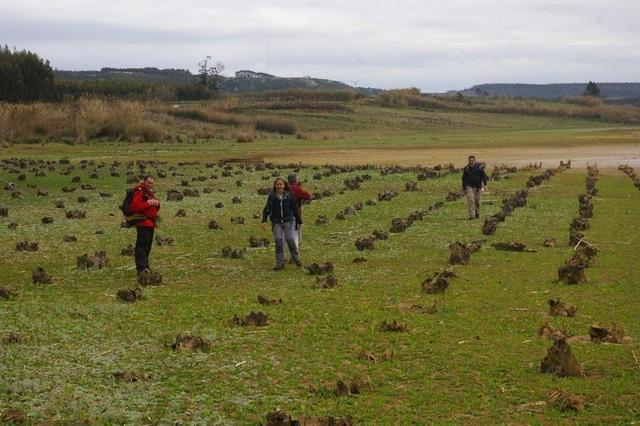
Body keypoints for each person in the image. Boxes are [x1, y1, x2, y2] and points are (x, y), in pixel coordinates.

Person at [262, 178, 302, 270]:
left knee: (290, 241)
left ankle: (296, 259)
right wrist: (264, 220)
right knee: (279, 243)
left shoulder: (289, 195)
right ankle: (280, 264)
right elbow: (267, 209)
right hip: (276, 222)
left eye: (281, 184)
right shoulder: (272, 196)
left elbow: (294, 209)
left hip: (288, 221)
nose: (279, 186)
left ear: (284, 186)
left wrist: (299, 221)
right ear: (275, 186)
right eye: (277, 184)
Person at [129, 175, 160, 273]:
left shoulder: (149, 193)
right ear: (144, 182)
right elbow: (135, 207)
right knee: (142, 246)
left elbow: (156, 207)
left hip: (150, 223)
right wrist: (148, 204)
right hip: (143, 223)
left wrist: (157, 203)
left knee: (147, 246)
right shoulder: (139, 192)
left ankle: (145, 265)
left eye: (152, 183)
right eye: (148, 182)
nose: (150, 185)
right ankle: (141, 268)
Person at [287, 173, 311, 251]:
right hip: (295, 216)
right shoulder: (296, 189)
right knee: (295, 235)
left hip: (283, 216)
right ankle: (294, 254)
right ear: (296, 181)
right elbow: (307, 195)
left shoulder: (283, 188)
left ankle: (285, 255)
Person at [461, 155, 488, 219]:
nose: (471, 162)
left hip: (478, 187)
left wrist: (485, 185)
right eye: (470, 161)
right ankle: (472, 216)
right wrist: (464, 188)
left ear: (474, 161)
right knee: (471, 200)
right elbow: (463, 179)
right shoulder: (466, 169)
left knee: (477, 201)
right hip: (469, 187)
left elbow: (484, 176)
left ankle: (477, 213)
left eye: (472, 161)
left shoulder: (479, 167)